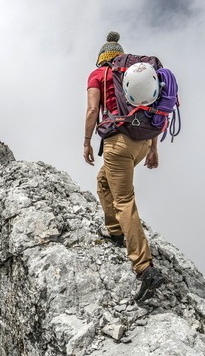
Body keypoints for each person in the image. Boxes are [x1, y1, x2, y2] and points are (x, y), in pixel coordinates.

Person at [83, 31, 164, 302]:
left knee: (124, 200)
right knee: (103, 181)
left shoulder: (98, 76)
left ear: (101, 59)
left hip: (117, 144)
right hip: (141, 143)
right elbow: (151, 109)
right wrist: (153, 149)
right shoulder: (136, 73)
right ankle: (116, 232)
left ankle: (144, 269)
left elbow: (93, 111)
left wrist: (86, 142)